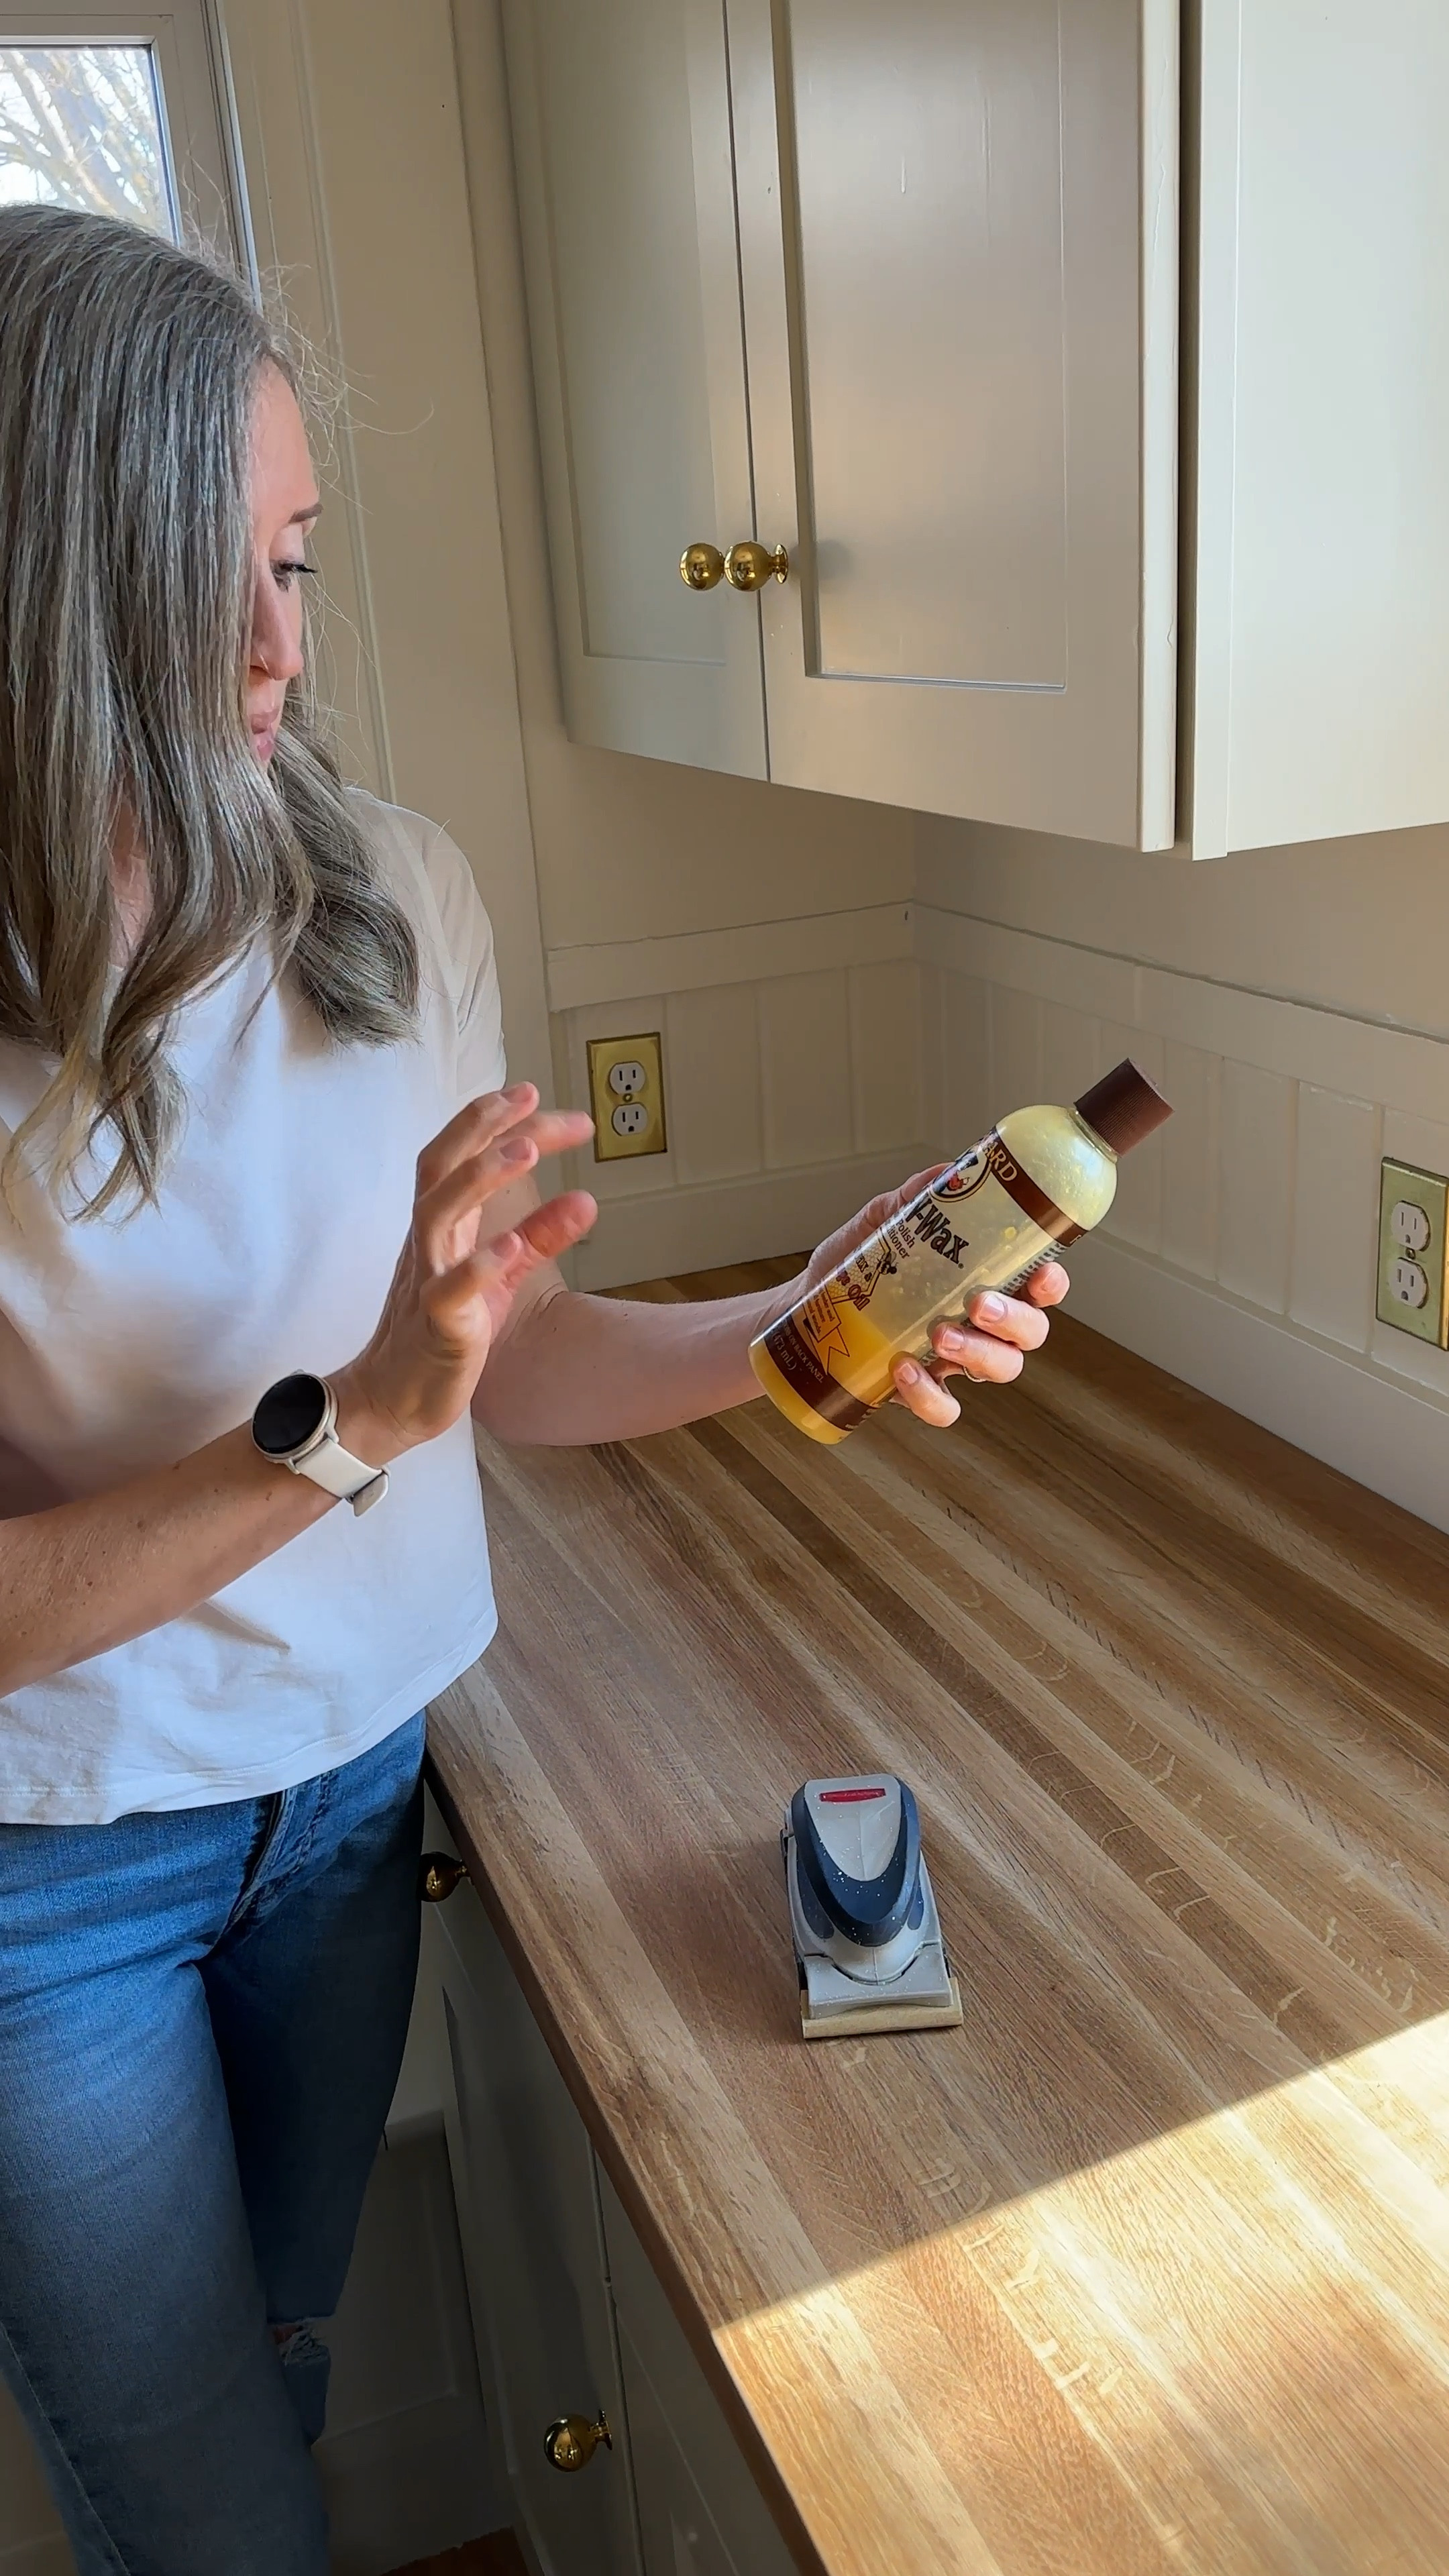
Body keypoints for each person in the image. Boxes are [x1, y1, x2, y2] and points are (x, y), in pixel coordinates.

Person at [0, 205, 1068, 2576]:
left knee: (280, 2364)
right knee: (207, 2522)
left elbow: (523, 1356)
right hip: (50, 1873)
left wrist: (813, 1312)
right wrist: (352, 1428)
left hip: (354, 1793)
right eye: (202, 579)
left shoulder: (392, 895)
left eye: (296, 559)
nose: (281, 650)